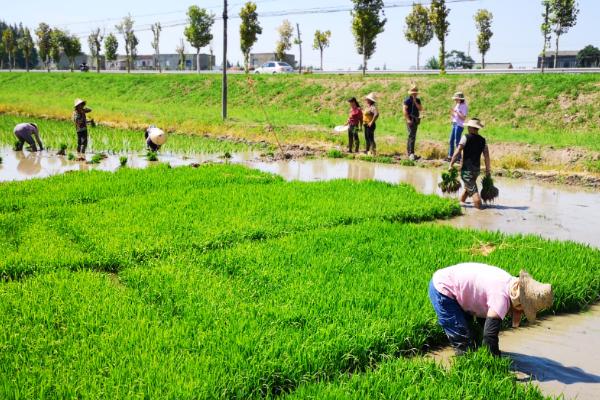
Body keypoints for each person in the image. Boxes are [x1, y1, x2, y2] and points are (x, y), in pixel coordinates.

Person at [429, 263, 553, 356]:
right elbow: (489, 336)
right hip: (444, 290)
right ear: (520, 303)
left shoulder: (509, 283)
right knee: (463, 342)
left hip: (458, 289)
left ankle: (475, 354)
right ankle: (466, 368)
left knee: (474, 335)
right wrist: (495, 360)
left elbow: (487, 323)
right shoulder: (501, 298)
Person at [449, 118, 491, 210]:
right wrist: (488, 170)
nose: (467, 128)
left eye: (468, 126)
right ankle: (461, 203)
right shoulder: (483, 140)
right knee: (469, 188)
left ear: (472, 128)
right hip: (476, 170)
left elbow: (458, 151)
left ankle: (480, 209)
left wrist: (451, 164)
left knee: (474, 191)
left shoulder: (466, 137)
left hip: (466, 170)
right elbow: (487, 157)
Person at [403, 85, 424, 161]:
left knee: (413, 136)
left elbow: (421, 109)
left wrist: (415, 102)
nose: (414, 94)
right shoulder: (407, 100)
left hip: (415, 119)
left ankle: (410, 153)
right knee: (411, 135)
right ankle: (410, 153)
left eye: (415, 93)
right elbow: (404, 110)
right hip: (410, 119)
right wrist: (408, 119)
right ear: (410, 93)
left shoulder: (418, 100)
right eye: (413, 93)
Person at [447, 92, 468, 161]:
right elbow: (455, 115)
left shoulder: (464, 106)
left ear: (460, 99)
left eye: (456, 99)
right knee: (451, 140)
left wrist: (457, 112)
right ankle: (450, 156)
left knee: (457, 141)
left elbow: (463, 118)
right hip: (455, 123)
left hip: (459, 125)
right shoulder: (457, 104)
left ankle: (458, 158)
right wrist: (452, 113)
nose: (455, 100)